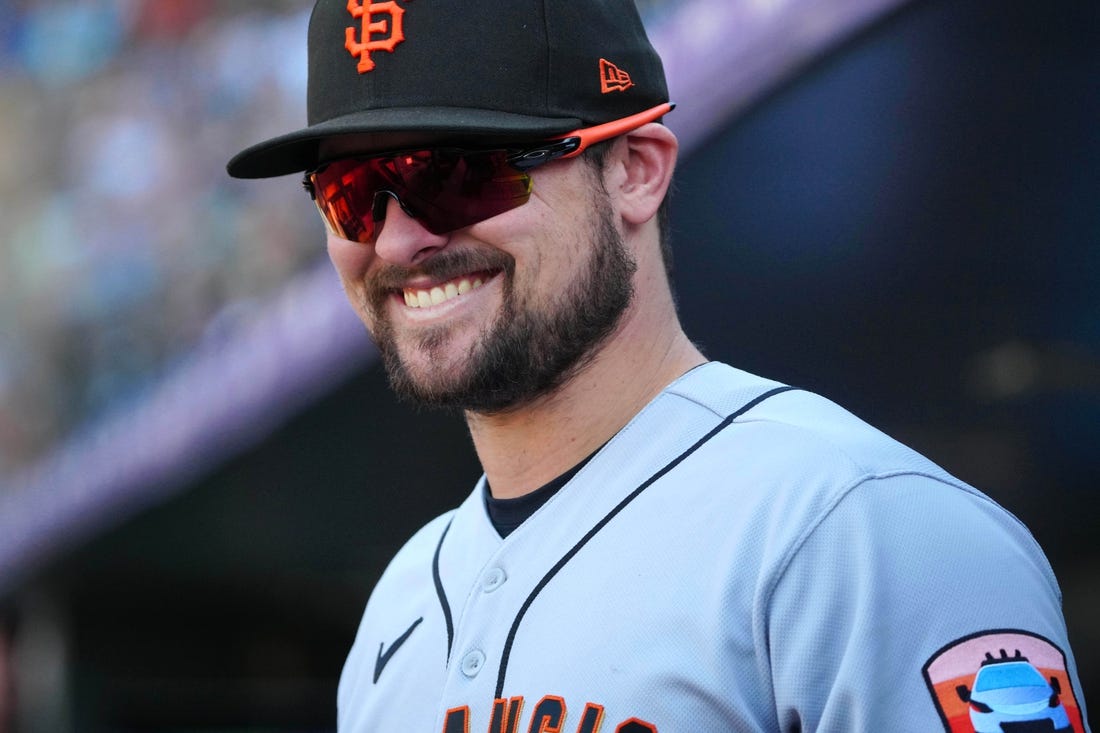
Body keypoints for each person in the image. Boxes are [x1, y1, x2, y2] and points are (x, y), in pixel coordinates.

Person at [228, 1, 1091, 731]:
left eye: (457, 173)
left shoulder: (863, 534)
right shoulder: (403, 602)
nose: (398, 236)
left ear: (635, 172)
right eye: (350, 191)